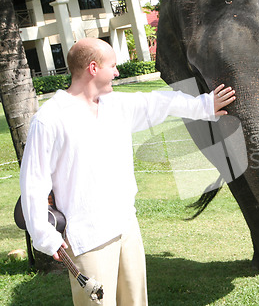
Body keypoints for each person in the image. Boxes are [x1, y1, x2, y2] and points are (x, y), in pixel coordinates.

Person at [20, 38, 236, 305]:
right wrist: (44, 235)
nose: (117, 72)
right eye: (112, 65)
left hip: (126, 226)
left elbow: (160, 102)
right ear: (93, 68)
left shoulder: (115, 105)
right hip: (88, 239)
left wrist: (204, 105)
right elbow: (34, 183)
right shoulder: (49, 118)